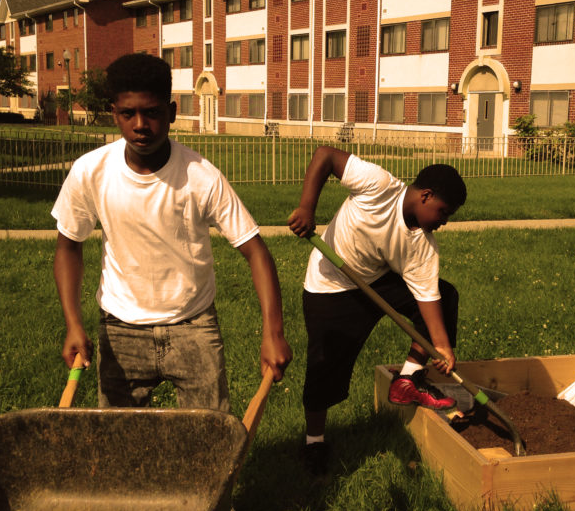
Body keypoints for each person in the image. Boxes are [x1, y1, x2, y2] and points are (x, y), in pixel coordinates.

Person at [52, 52, 292, 416]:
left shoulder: (201, 175)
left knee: (210, 442)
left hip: (193, 326)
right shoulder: (91, 172)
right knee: (120, 444)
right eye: (127, 113)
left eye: (152, 112)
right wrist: (73, 323)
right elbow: (69, 246)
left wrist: (273, 333)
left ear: (173, 112)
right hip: (121, 328)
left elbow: (255, 251)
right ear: (113, 112)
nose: (140, 125)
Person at [287, 145, 466, 475]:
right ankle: (315, 442)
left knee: (446, 294)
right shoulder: (378, 184)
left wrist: (441, 346)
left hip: (376, 281)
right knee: (324, 365)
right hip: (331, 285)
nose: (444, 222)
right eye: (444, 212)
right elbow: (325, 156)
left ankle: (407, 381)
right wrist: (306, 208)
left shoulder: (423, 245)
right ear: (426, 196)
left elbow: (427, 298)